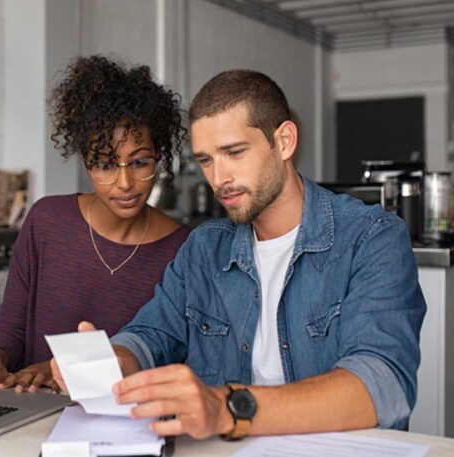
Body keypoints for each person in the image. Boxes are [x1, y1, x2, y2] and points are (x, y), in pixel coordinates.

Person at [53, 69, 426, 440]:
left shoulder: (371, 237)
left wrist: (229, 409)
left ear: (284, 141)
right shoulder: (204, 249)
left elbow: (382, 386)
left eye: (234, 152)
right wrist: (112, 361)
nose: (219, 178)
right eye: (206, 160)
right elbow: (150, 334)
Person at [0, 56, 191, 394]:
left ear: (158, 158)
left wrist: (60, 369)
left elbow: (168, 356)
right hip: (30, 410)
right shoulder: (46, 221)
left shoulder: (182, 249)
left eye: (139, 162)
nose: (124, 183)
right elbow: (12, 327)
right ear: (86, 163)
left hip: (122, 424)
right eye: (104, 164)